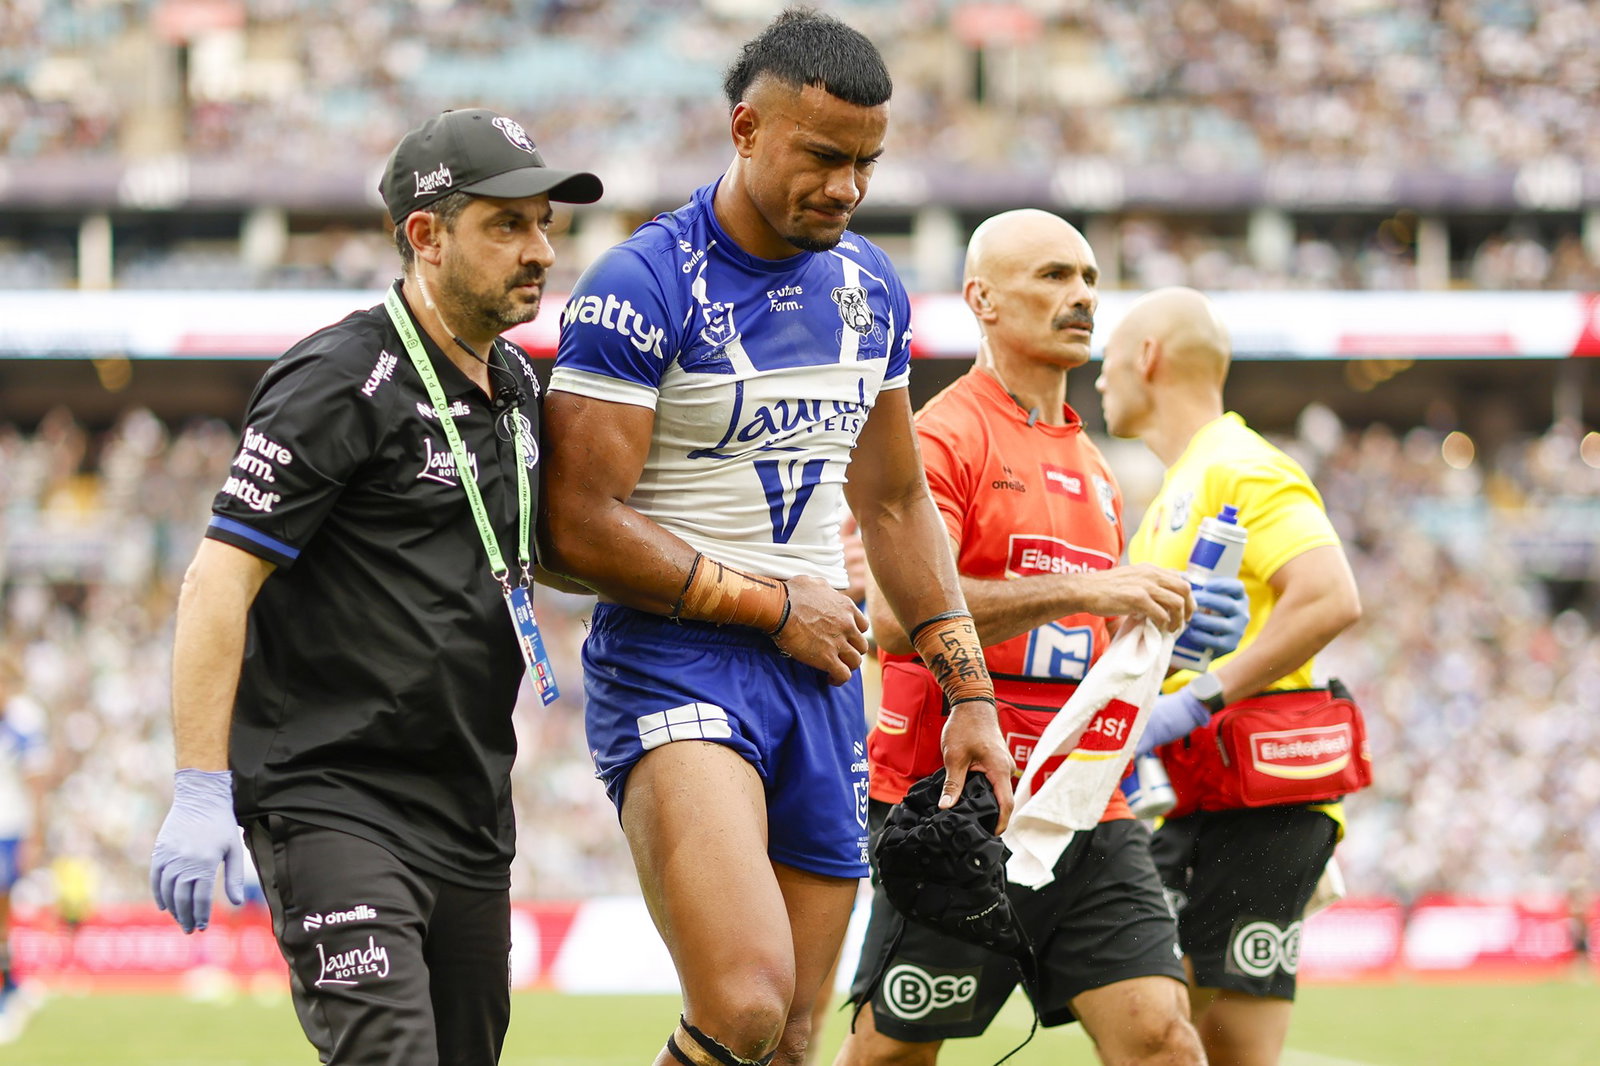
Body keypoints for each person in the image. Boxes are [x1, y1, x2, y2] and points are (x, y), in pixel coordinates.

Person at [540, 11, 1013, 1066]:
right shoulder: (641, 284)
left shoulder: (870, 289)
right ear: (745, 129)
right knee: (746, 1004)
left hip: (824, 669)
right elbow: (568, 531)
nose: (846, 187)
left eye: (866, 163)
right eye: (822, 156)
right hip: (679, 659)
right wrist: (769, 604)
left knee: (797, 1036)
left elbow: (894, 504)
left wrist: (970, 695)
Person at [147, 108, 602, 1065]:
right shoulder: (338, 377)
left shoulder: (519, 384)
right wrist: (199, 787)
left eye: (545, 225)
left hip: (471, 809)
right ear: (425, 237)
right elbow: (216, 582)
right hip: (332, 798)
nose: (539, 250)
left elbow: (545, 553)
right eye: (507, 224)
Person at [837, 211, 1248, 1066]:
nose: (1082, 297)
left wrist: (1165, 636)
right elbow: (891, 617)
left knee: (1164, 1037)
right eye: (1054, 277)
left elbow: (1086, 639)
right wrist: (1094, 586)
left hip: (1087, 804)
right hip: (958, 806)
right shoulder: (942, 437)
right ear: (982, 299)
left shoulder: (1097, 468)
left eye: (1091, 279)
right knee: (891, 1056)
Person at [1097, 286, 1363, 1066]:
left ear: (1147, 357)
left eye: (1107, 359)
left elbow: (1330, 594)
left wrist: (1202, 699)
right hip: (1192, 796)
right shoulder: (1172, 493)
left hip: (1254, 801)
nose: (1100, 378)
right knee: (1154, 1030)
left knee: (1228, 1047)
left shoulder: (1240, 465)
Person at [0, 656, 47, 1044]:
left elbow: (36, 783)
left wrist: (34, 837)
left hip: (8, 831)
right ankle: (13, 986)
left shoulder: (23, 722)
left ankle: (8, 994)